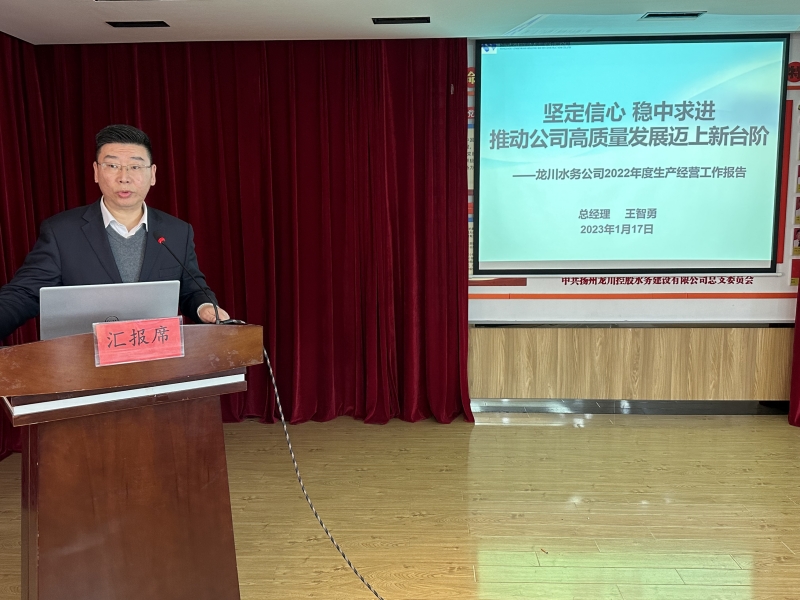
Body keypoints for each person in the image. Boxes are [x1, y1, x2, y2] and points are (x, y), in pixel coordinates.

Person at [0, 124, 229, 340]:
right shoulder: (61, 232)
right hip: (85, 361)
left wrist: (205, 306)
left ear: (153, 174)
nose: (124, 177)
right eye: (112, 166)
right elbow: (24, 294)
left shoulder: (177, 232)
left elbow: (192, 289)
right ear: (96, 172)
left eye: (135, 167)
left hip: (156, 359)